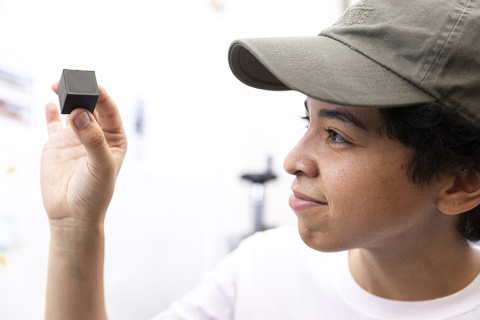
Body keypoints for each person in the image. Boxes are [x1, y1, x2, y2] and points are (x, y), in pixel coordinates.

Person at [41, 0, 480, 319]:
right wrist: (74, 226)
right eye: (306, 119)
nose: (294, 160)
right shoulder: (263, 269)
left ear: (460, 183)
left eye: (336, 135)